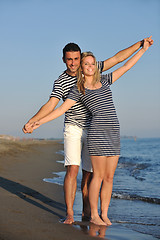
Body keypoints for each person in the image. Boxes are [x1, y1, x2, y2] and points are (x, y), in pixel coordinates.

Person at [22, 38, 153, 224]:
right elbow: (55, 106)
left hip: (98, 129)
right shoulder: (67, 85)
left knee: (93, 174)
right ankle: (72, 213)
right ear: (64, 60)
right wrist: (35, 121)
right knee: (75, 169)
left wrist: (141, 46)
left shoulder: (97, 73)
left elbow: (119, 61)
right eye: (71, 60)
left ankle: (91, 212)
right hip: (77, 127)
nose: (75, 63)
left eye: (78, 59)